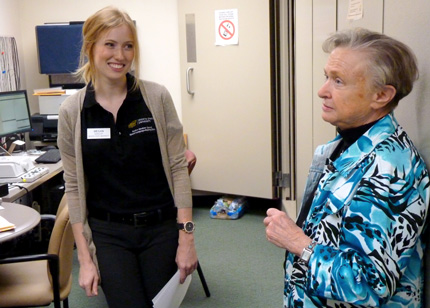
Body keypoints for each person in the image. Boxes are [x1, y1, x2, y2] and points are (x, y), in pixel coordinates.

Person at [264, 28, 430, 307]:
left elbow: (368, 284)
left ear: (381, 95)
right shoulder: (344, 144)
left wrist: (297, 242)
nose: (322, 91)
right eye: (326, 77)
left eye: (338, 81)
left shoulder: (389, 170)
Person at [57, 6, 198, 307]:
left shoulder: (156, 98)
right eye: (110, 44)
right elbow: (73, 187)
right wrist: (84, 257)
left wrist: (187, 238)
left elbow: (177, 168)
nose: (119, 55)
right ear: (90, 46)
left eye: (128, 46)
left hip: (160, 228)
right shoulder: (72, 112)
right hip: (109, 234)